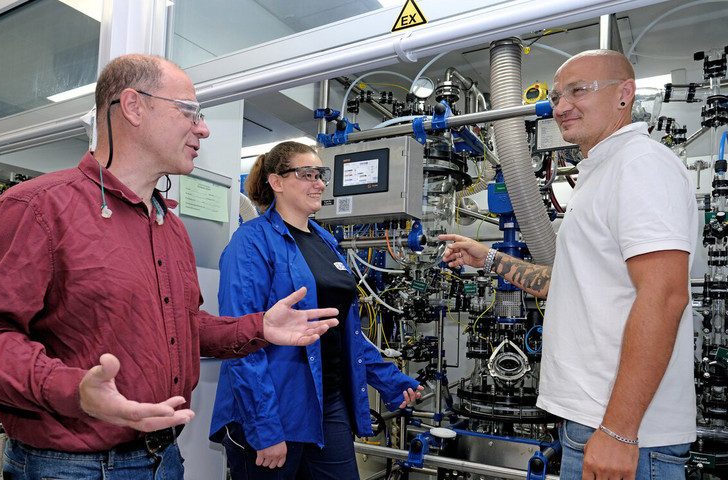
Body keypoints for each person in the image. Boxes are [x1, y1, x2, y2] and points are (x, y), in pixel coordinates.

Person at [0, 54, 340, 480]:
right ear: (133, 106)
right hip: (68, 466)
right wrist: (75, 391)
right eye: (189, 112)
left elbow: (184, 325)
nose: (204, 128)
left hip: (163, 459)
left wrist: (258, 329)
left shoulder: (168, 225)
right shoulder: (37, 208)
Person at [440, 49, 697, 480]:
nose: (561, 106)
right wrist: (491, 259)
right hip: (595, 420)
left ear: (625, 94)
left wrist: (619, 431)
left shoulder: (641, 165)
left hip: (629, 433)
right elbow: (572, 283)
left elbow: (665, 297)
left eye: (579, 90)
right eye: (558, 96)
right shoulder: (604, 171)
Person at [210, 141, 423, 479]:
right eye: (307, 174)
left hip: (328, 403)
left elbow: (342, 331)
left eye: (321, 174)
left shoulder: (326, 243)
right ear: (277, 182)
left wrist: (389, 379)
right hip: (274, 407)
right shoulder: (250, 243)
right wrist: (265, 427)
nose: (320, 183)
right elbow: (240, 340)